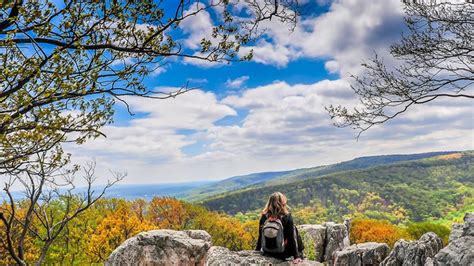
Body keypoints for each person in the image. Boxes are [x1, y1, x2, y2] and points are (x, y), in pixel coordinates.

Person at [256, 192, 304, 264]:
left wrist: (257, 250)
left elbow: (260, 236)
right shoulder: (287, 217)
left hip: (267, 251)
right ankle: (300, 252)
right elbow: (291, 238)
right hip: (282, 253)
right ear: (282, 203)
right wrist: (296, 256)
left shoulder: (264, 217)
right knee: (294, 228)